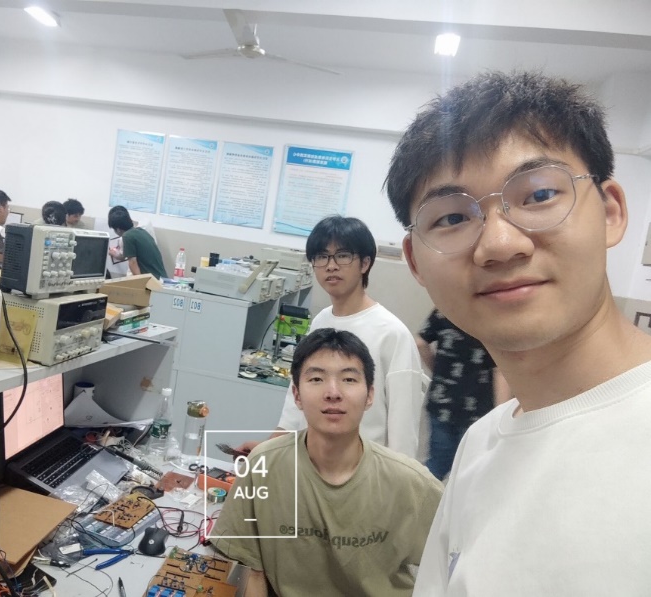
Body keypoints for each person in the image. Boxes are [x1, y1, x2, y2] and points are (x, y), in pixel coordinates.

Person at [385, 70, 651, 595]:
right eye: (451, 218)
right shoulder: (480, 444)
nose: (500, 244)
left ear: (611, 213)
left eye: (539, 194)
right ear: (415, 262)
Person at [212, 328, 443, 597]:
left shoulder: (410, 483)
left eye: (348, 379)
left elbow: (452, 566)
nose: (333, 392)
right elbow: (252, 571)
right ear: (297, 395)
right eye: (317, 378)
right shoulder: (262, 467)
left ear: (369, 395)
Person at [238, 215, 425, 458]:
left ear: (365, 263)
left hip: (364, 471)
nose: (331, 266)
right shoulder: (320, 322)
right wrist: (266, 451)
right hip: (312, 466)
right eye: (322, 256)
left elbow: (403, 436)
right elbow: (295, 409)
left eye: (343, 256)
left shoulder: (392, 334)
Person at [415, 308, 510, 480]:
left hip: (442, 402)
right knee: (473, 467)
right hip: (477, 410)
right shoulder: (492, 318)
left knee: (437, 463)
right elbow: (500, 370)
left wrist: (436, 369)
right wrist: (500, 414)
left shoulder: (446, 309)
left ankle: (420, 494)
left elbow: (420, 342)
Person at [107, 205, 167, 279]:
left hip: (153, 281)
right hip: (161, 279)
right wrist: (115, 254)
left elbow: (133, 263)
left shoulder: (127, 236)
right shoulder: (141, 231)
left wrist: (139, 283)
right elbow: (127, 255)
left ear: (118, 229)